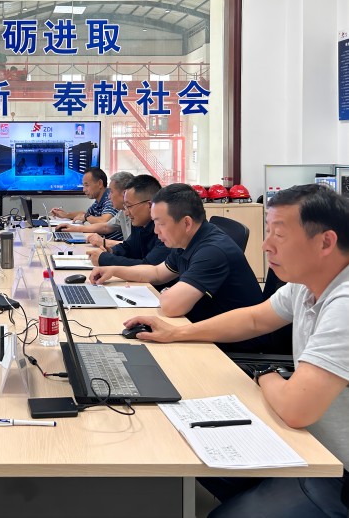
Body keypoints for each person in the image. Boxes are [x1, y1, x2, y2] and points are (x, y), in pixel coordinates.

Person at [123, 184, 349, 517]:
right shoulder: (306, 285)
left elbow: (295, 409)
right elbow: (255, 319)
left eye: (279, 235)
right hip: (302, 439)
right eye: (267, 232)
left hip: (334, 469)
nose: (266, 245)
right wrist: (178, 333)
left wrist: (265, 374)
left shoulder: (343, 303)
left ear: (326, 242)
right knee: (185, 445)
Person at [90, 183, 265, 352]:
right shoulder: (187, 240)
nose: (156, 231)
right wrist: (114, 270)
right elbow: (157, 272)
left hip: (234, 345)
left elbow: (171, 306)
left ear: (186, 223)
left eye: (160, 223)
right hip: (203, 329)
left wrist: (167, 292)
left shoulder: (212, 251)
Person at [86, 174, 170, 269]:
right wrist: (111, 251)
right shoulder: (139, 223)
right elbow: (128, 247)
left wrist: (104, 259)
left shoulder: (165, 231)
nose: (126, 212)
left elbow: (148, 267)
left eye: (129, 206)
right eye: (125, 206)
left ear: (150, 205)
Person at [57, 171, 133, 242]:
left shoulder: (111, 202)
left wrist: (104, 243)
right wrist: (74, 226)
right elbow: (105, 226)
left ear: (125, 193)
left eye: (112, 192)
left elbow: (103, 221)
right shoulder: (122, 212)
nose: (109, 196)